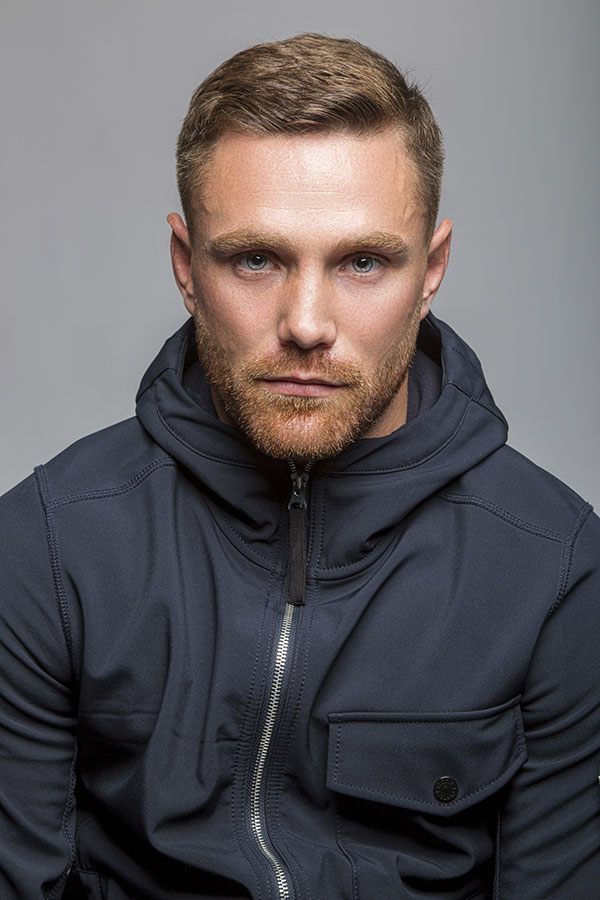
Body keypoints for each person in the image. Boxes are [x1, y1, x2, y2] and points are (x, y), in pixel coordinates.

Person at [0, 32, 598, 900]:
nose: (307, 323)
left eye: (363, 262)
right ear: (187, 268)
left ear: (430, 271)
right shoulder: (44, 546)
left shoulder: (556, 567)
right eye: (256, 259)